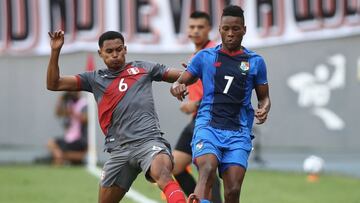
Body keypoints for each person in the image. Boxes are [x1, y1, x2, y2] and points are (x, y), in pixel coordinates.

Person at [46, 30, 188, 203]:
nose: (115, 55)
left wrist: (184, 80)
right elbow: (54, 84)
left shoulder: (144, 68)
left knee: (163, 174)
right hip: (119, 150)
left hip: (149, 142)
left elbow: (184, 77)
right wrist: (55, 51)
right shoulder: (94, 78)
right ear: (101, 54)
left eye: (119, 50)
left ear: (125, 49)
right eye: (109, 51)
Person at [170, 5, 271, 203]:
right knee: (206, 170)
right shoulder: (205, 57)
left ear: (244, 29)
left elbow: (264, 97)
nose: (230, 34)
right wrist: (177, 86)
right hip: (208, 126)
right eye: (226, 29)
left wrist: (264, 108)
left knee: (232, 190)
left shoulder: (255, 62)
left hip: (239, 130)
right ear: (220, 30)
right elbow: (181, 80)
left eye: (235, 29)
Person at [172, 11, 222, 203]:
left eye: (200, 27)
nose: (195, 31)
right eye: (192, 27)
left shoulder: (214, 54)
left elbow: (223, 90)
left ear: (209, 29)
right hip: (197, 119)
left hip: (211, 118)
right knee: (174, 166)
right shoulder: (197, 54)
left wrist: (195, 104)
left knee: (206, 170)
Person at [47, 91, 88, 166]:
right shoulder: (70, 103)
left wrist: (73, 113)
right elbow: (58, 113)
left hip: (79, 139)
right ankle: (61, 157)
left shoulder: (84, 103)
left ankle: (62, 157)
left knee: (59, 154)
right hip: (69, 137)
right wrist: (60, 99)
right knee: (51, 143)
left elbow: (86, 119)